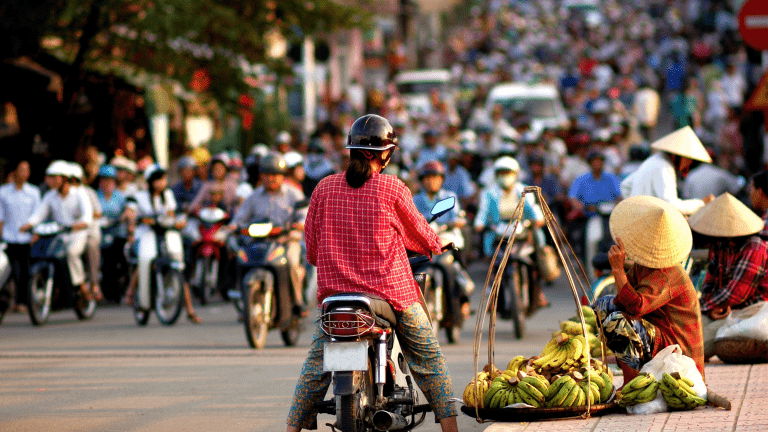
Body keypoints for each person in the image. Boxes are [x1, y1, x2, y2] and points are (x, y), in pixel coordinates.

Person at [286, 114, 459, 432]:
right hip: (389, 294)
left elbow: (311, 250)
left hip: (337, 300)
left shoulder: (324, 189)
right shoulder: (392, 188)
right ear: (386, 154)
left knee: (315, 367)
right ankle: (451, 428)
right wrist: (439, 243)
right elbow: (419, 234)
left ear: (351, 150)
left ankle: (292, 429)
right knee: (429, 360)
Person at [594, 195, 704, 385]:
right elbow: (623, 300)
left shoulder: (666, 273)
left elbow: (636, 307)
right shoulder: (643, 265)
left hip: (678, 356)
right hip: (660, 340)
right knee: (605, 305)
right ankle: (637, 375)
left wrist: (618, 270)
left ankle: (631, 386)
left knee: (619, 324)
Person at [692, 187, 768, 361]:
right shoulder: (720, 245)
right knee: (685, 332)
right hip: (724, 308)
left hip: (752, 310)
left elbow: (735, 294)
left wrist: (703, 307)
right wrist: (710, 310)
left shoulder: (755, 247)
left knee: (695, 346)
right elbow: (709, 284)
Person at [232, 153, 307, 314]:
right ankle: (241, 294)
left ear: (282, 176)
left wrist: (299, 224)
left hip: (286, 240)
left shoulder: (293, 194)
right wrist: (233, 227)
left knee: (292, 263)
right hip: (260, 241)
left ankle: (298, 301)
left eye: (275, 175)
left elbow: (304, 214)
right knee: (240, 256)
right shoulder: (253, 196)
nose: (271, 178)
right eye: (267, 174)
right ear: (261, 176)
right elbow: (240, 217)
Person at [124, 165, 200, 323]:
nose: (161, 183)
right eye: (158, 179)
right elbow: (130, 213)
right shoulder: (140, 196)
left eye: (163, 179)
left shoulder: (168, 194)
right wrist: (135, 220)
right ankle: (131, 292)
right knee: (144, 260)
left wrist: (177, 222)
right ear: (151, 181)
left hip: (165, 234)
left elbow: (171, 215)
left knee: (178, 266)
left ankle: (190, 309)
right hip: (145, 234)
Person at [21, 160, 94, 301]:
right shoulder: (50, 196)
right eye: (50, 177)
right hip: (58, 234)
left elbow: (87, 217)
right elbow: (39, 214)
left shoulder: (80, 193)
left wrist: (79, 225)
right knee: (45, 253)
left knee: (71, 253)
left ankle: (81, 286)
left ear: (64, 179)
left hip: (77, 233)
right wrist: (28, 224)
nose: (51, 181)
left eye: (55, 177)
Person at [620, 126, 714, 215]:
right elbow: (671, 205)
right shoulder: (664, 167)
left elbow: (625, 186)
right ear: (677, 155)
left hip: (639, 219)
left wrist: (636, 206)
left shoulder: (654, 160)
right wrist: (700, 203)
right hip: (649, 222)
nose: (689, 163)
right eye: (688, 159)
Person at [0, 159, 41, 312]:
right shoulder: (3, 192)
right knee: (9, 271)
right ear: (14, 172)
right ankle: (8, 301)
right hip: (9, 237)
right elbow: (0, 217)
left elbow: (38, 214)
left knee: (24, 272)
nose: (25, 173)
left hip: (26, 239)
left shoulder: (34, 192)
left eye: (27, 169)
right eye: (22, 169)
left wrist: (36, 232)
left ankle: (22, 302)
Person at [69, 162, 105, 302]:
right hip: (69, 232)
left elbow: (98, 212)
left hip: (89, 230)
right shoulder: (60, 195)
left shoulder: (88, 192)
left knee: (91, 246)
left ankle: (94, 283)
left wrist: (85, 217)